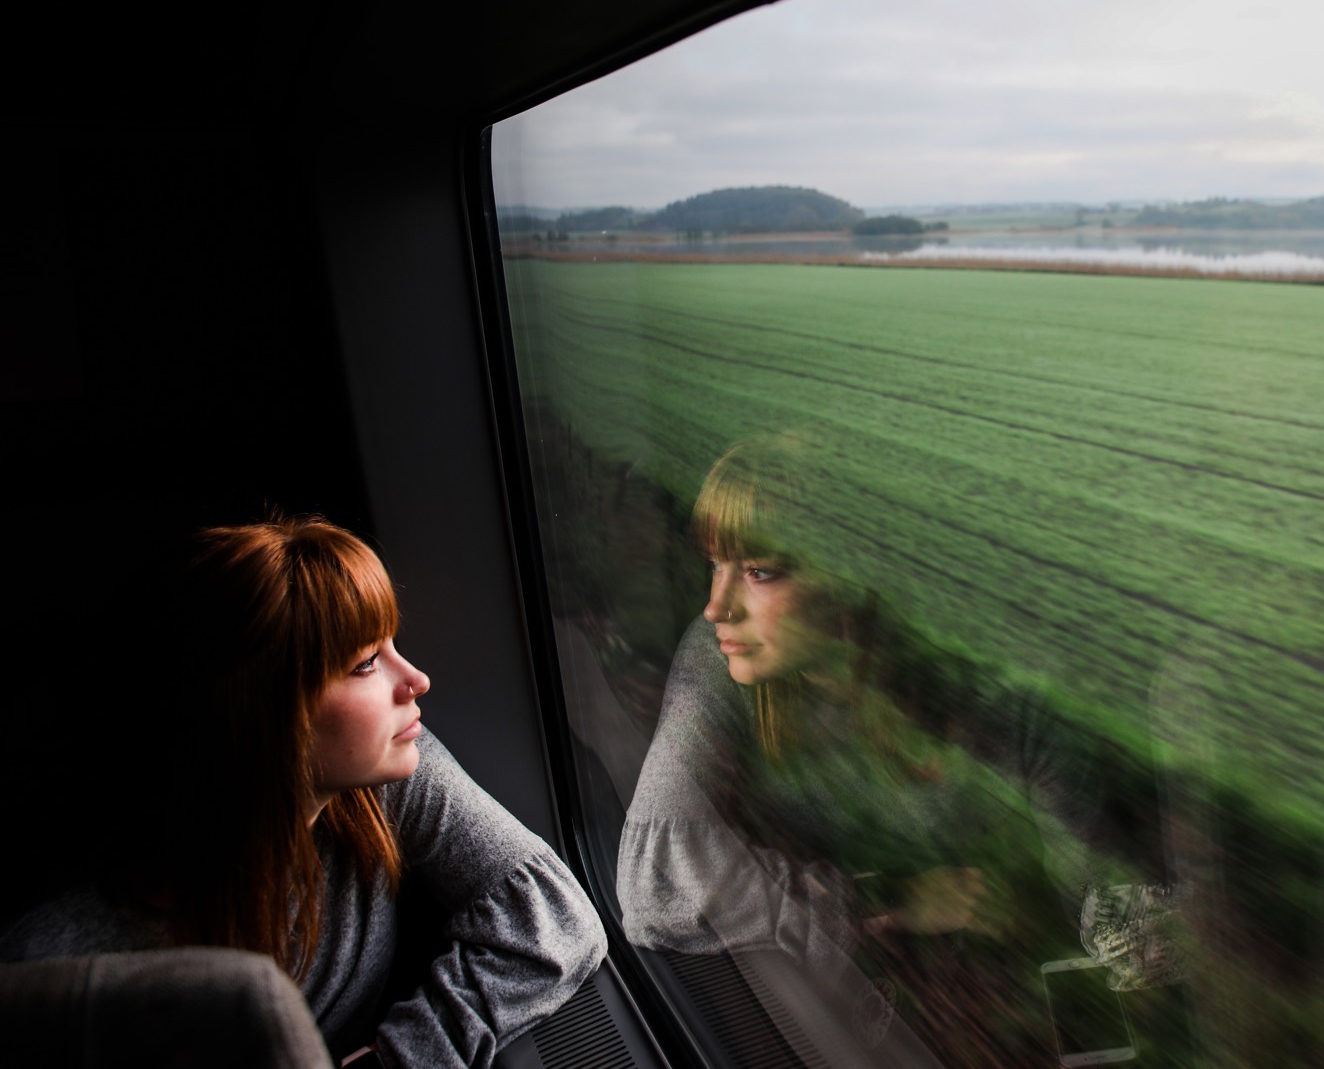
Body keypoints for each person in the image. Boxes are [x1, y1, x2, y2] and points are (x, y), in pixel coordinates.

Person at [0, 517, 606, 1069]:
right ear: (263, 718)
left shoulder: (378, 786)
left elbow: (555, 915)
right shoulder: (53, 968)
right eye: (366, 663)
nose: (416, 680)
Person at [618, 436, 1099, 1062]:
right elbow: (653, 886)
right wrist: (883, 901)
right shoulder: (718, 660)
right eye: (716, 564)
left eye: (760, 571)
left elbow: (1089, 896)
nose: (716, 606)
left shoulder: (994, 693)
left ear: (855, 574)